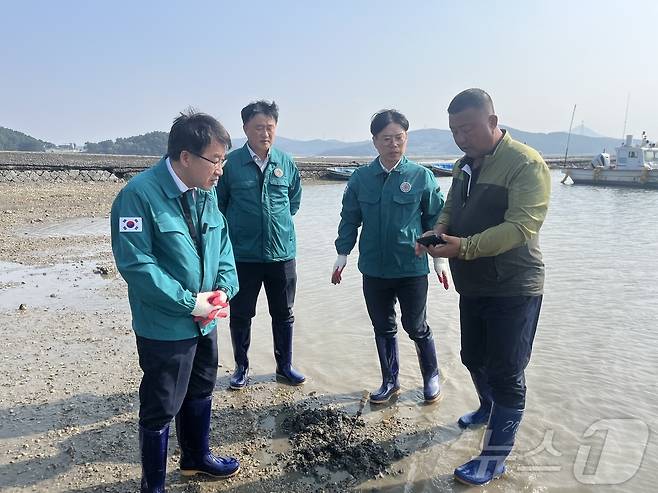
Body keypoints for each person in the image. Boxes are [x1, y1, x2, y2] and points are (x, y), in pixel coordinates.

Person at [417, 89, 551, 486]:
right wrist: (438, 231)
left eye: (469, 128)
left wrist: (465, 247)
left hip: (514, 285)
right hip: (472, 283)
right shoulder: (463, 166)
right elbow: (451, 208)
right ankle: (488, 408)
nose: (461, 137)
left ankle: (494, 458)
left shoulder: (525, 164)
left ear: (493, 122)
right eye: (455, 130)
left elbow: (522, 227)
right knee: (473, 356)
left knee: (508, 371)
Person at [111, 110, 240, 492]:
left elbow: (223, 245)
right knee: (161, 405)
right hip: (165, 325)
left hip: (207, 319)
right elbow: (137, 265)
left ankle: (195, 458)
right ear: (185, 157)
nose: (220, 169)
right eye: (215, 160)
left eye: (224, 160)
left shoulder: (207, 193)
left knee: (201, 389)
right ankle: (153, 486)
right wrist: (189, 302)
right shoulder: (137, 195)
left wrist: (224, 289)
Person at [332, 109, 449, 405]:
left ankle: (431, 376)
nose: (393, 144)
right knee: (382, 326)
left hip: (411, 268)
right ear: (375, 141)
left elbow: (435, 218)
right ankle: (390, 381)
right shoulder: (360, 178)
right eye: (387, 139)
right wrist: (342, 254)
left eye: (399, 138)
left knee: (416, 325)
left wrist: (439, 259)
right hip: (374, 268)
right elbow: (349, 218)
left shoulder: (421, 176)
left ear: (406, 139)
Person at [216, 100, 305, 389]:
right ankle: (241, 368)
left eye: (269, 127)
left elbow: (293, 202)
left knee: (284, 314)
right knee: (241, 314)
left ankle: (284, 366)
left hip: (281, 255)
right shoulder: (231, 167)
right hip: (243, 255)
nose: (264, 133)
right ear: (245, 129)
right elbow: (221, 206)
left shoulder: (286, 162)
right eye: (258, 128)